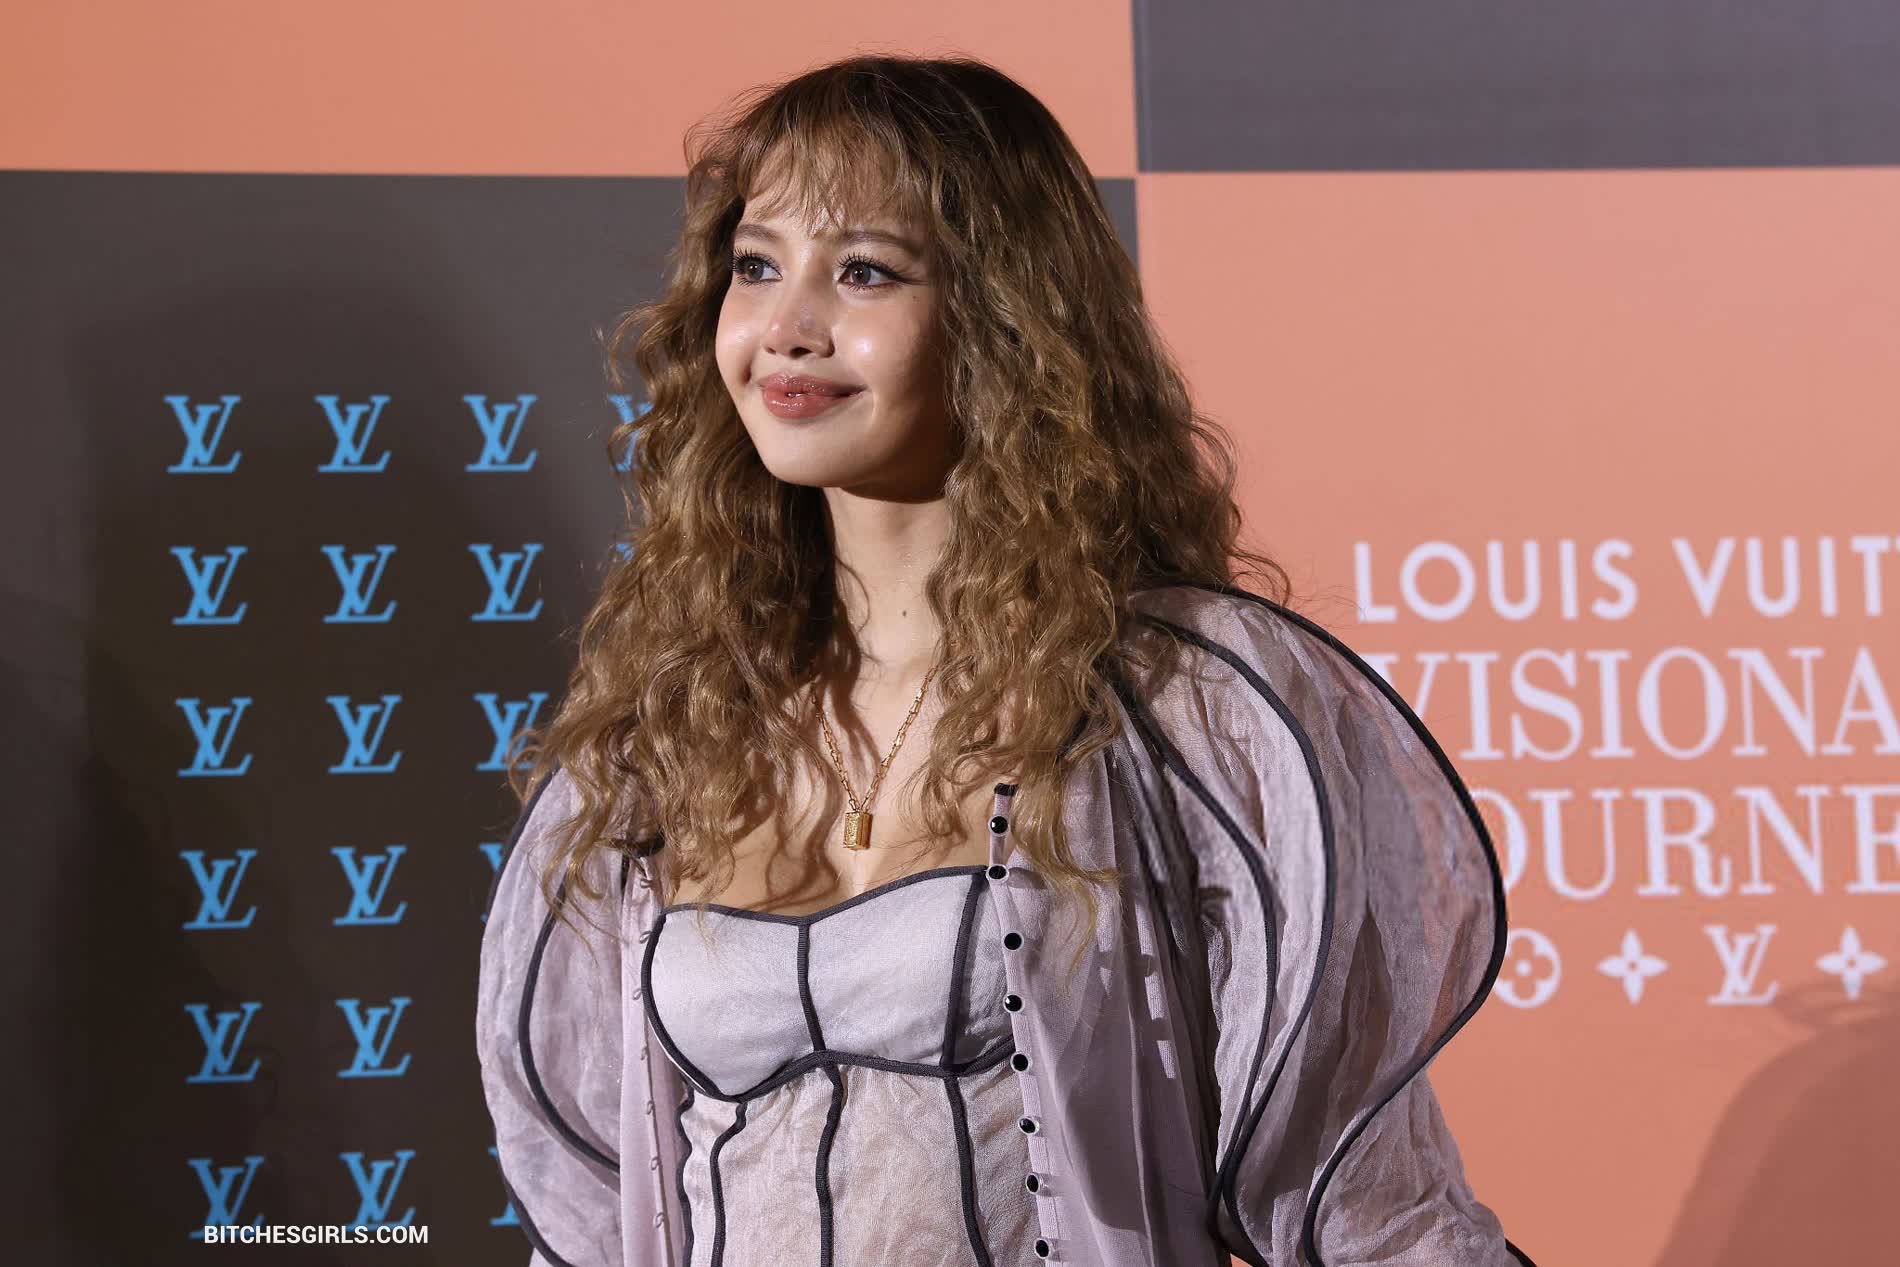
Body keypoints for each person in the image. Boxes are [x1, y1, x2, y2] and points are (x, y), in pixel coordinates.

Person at [477, 53, 1537, 1267]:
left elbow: (1369, 1201)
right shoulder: (664, 742)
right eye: (756, 266)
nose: (785, 330)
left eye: (863, 272)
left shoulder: (1178, 702)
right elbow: (587, 1222)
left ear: (1002, 318)